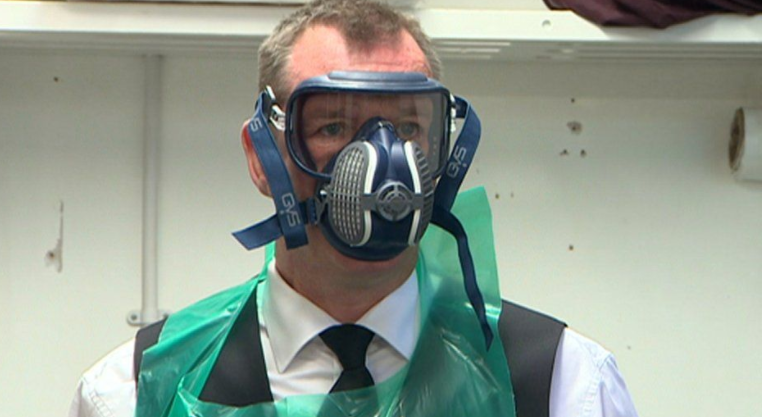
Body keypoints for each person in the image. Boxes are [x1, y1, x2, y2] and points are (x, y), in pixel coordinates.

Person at [69, 1, 639, 416]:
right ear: (261, 156)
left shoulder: (560, 384)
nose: (383, 164)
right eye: (334, 127)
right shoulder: (139, 391)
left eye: (408, 128)